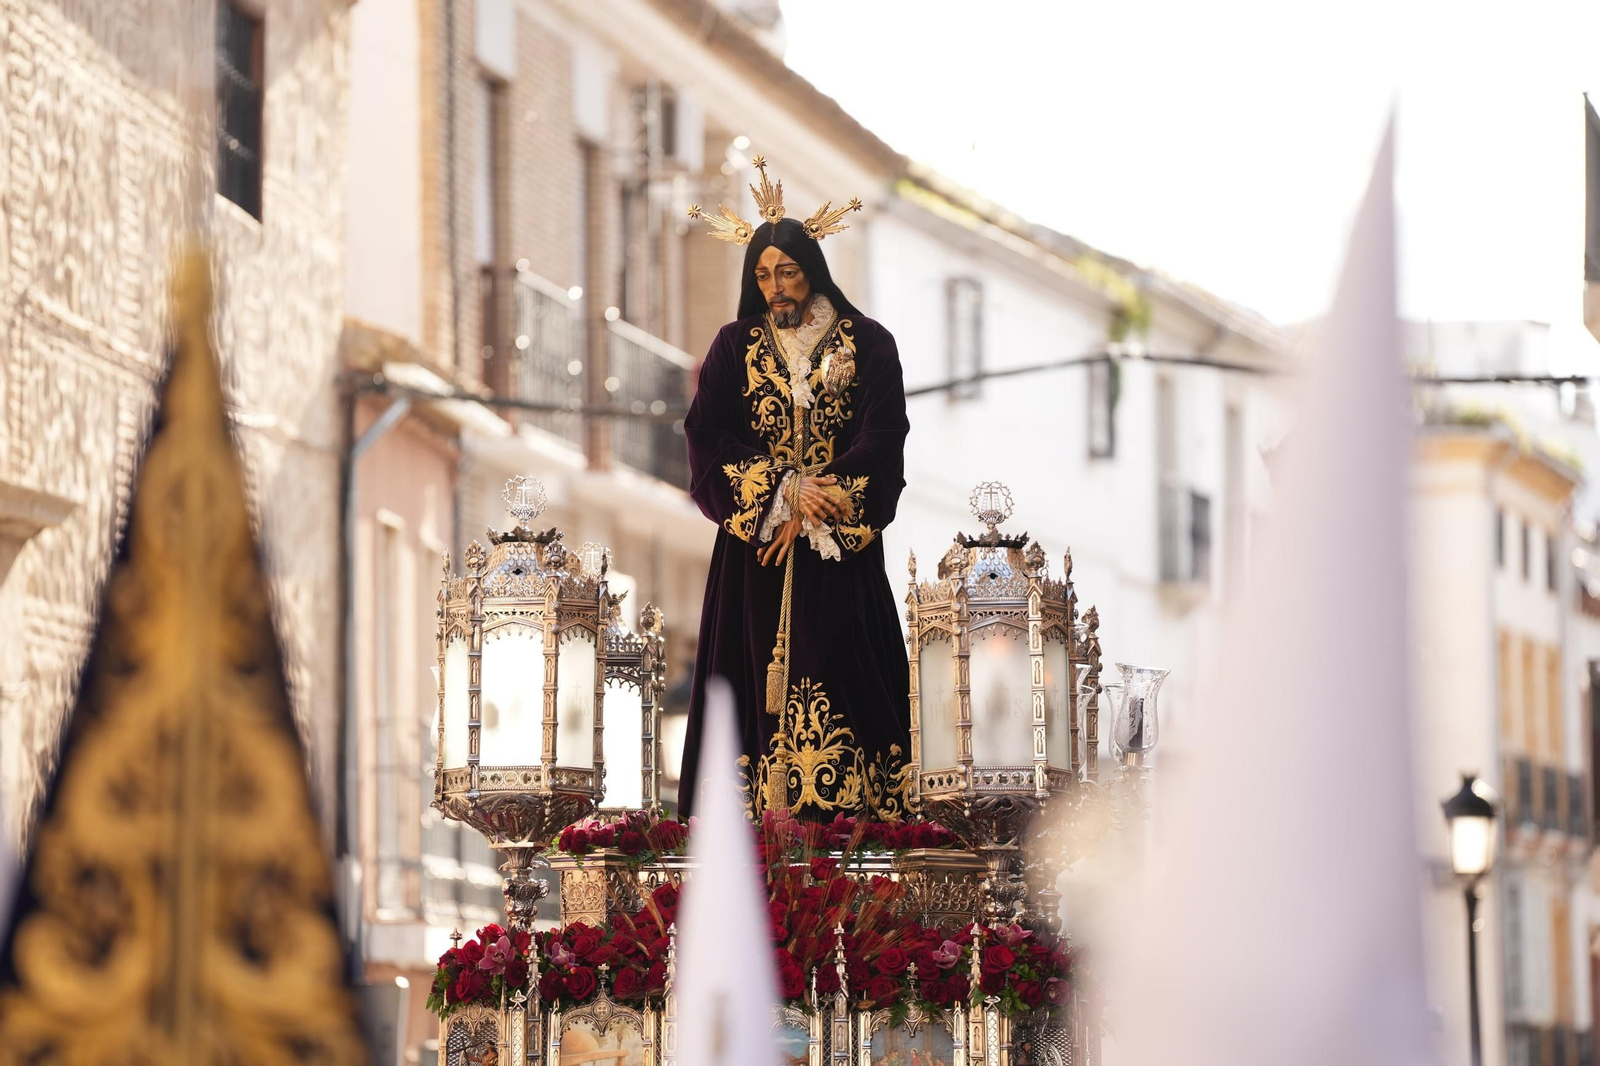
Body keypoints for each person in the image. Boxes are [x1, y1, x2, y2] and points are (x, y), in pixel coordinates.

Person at [677, 159, 912, 820]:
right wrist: (782, 491)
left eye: (786, 271)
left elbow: (883, 436)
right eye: (762, 275)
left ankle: (860, 847)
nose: (776, 286)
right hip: (754, 562)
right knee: (747, 699)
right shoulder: (734, 347)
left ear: (812, 268)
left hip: (841, 564)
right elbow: (706, 437)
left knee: (849, 682)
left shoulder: (869, 346)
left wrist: (823, 496)